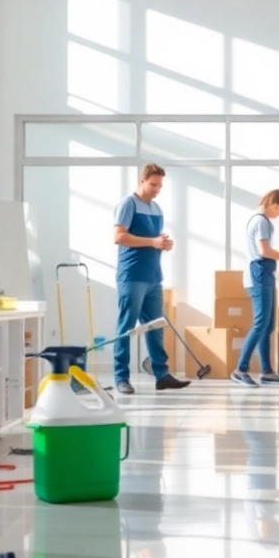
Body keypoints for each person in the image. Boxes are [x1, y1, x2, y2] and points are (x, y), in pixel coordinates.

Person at [112, 162, 190, 395]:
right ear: (142, 181)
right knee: (126, 327)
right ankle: (121, 377)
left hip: (153, 276)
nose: (156, 189)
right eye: (153, 184)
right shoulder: (128, 204)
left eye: (160, 186)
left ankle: (162, 375)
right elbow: (119, 237)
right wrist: (152, 242)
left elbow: (153, 239)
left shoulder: (156, 209)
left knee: (156, 326)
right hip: (132, 275)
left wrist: (163, 243)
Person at [231, 189, 279, 387]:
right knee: (260, 323)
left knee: (268, 325)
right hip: (259, 275)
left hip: (265, 274)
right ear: (273, 203)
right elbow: (264, 251)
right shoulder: (261, 221)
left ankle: (267, 372)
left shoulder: (261, 221)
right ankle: (240, 369)